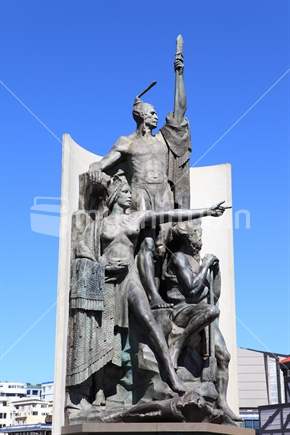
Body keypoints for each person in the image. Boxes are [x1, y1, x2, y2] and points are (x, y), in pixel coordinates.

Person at [96, 176, 228, 398]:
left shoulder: (136, 218)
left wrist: (206, 211)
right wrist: (103, 268)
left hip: (129, 276)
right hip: (108, 280)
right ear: (115, 196)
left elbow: (171, 215)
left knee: (149, 320)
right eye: (126, 192)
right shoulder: (99, 224)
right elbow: (90, 254)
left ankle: (169, 373)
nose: (131, 195)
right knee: (105, 332)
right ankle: (100, 389)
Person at [89, 51, 191, 310]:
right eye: (152, 113)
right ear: (141, 115)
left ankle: (165, 293)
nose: (157, 116)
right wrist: (94, 168)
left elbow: (180, 109)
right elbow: (104, 163)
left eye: (157, 113)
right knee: (146, 244)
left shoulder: (163, 138)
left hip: (163, 193)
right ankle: (152, 298)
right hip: (141, 193)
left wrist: (179, 75)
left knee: (164, 246)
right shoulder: (127, 142)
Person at [165, 220, 241, 422]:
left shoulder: (198, 261)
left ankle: (222, 400)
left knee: (223, 355)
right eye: (197, 232)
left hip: (203, 312)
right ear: (188, 237)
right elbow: (191, 288)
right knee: (210, 311)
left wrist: (216, 271)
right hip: (182, 310)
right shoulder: (178, 258)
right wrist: (206, 265)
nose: (200, 236)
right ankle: (178, 342)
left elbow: (213, 296)